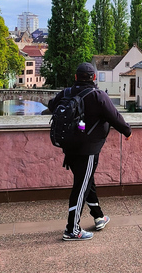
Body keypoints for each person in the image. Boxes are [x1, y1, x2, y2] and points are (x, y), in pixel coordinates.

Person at [48, 62, 132, 241]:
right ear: (94, 78)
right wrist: (127, 131)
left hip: (69, 147)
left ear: (76, 77)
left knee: (86, 180)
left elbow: (51, 106)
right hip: (88, 149)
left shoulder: (66, 93)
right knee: (81, 187)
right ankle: (72, 229)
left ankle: (98, 216)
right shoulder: (98, 95)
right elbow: (115, 117)